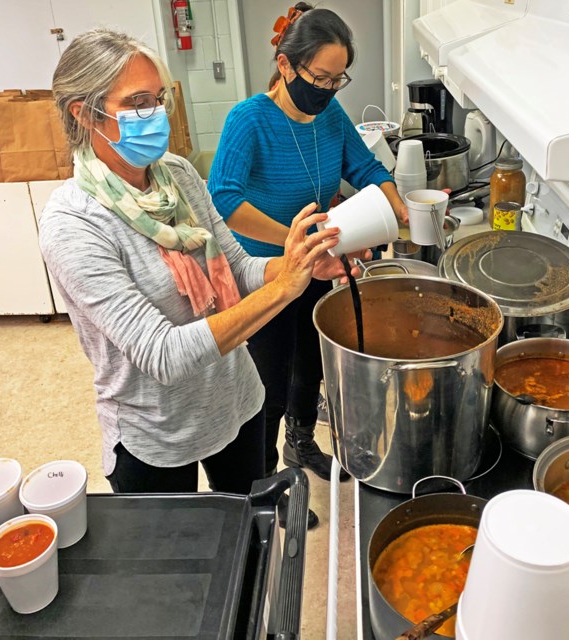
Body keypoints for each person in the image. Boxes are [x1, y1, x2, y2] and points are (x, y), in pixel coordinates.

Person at [37, 28, 364, 529]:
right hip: (159, 433)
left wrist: (296, 262)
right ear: (84, 112)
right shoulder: (74, 225)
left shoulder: (177, 176)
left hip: (236, 399)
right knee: (184, 571)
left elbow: (238, 266)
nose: (157, 115)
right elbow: (163, 355)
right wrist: (284, 288)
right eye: (138, 103)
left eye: (160, 99)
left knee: (249, 534)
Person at [207, 4, 410, 490]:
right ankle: (263, 480)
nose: (327, 90)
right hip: (267, 269)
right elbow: (224, 197)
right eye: (320, 77)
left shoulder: (331, 116)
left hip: (316, 263)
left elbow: (365, 169)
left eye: (338, 79)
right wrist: (295, 242)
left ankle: (300, 442)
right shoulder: (248, 120)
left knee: (312, 362)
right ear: (286, 66)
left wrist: (399, 208)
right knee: (269, 382)